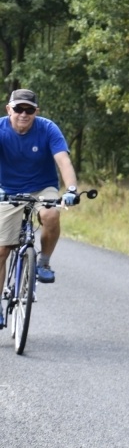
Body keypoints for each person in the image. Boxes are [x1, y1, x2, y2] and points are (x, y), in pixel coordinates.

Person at [0, 89, 79, 325]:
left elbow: (63, 160)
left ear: (36, 112)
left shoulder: (47, 128)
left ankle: (43, 261)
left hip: (42, 187)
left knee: (51, 213)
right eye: (18, 109)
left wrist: (72, 190)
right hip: (7, 189)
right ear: (9, 109)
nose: (23, 114)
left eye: (29, 110)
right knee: (2, 250)